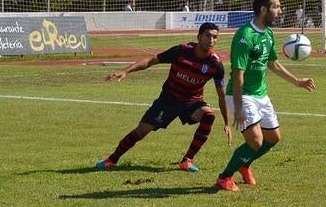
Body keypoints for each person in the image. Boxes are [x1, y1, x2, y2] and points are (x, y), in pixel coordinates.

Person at [95, 22, 232, 172]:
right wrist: (126, 71)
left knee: (209, 115)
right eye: (208, 36)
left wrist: (227, 123)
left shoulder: (215, 64)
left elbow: (221, 95)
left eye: (215, 37)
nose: (211, 40)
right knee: (141, 131)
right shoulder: (181, 51)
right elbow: (151, 61)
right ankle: (112, 159)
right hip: (169, 99)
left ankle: (187, 161)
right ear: (199, 36)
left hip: (192, 101)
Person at [215, 0, 316, 192]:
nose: (279, 11)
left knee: (273, 138)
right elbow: (238, 75)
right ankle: (224, 177)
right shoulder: (245, 36)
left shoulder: (268, 34)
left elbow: (273, 64)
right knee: (255, 140)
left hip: (261, 94)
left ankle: (244, 164)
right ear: (264, 9)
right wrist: (240, 106)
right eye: (276, 7)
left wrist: (297, 81)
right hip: (241, 94)